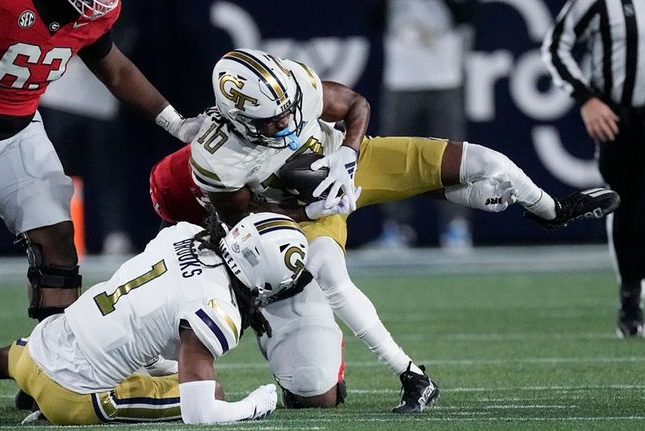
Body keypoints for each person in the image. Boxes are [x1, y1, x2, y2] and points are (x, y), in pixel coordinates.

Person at [184, 48, 619, 412]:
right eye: (273, 122)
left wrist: (349, 155)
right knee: (327, 294)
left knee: (489, 163)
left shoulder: (295, 86)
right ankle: (411, 374)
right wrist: (309, 206)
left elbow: (356, 105)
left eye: (288, 112)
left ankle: (551, 211)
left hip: (348, 164)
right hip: (298, 215)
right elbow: (247, 221)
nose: (289, 123)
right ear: (238, 119)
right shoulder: (218, 158)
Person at [0, 0, 201, 422]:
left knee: (57, 249)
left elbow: (116, 69)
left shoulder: (93, 12)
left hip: (19, 124)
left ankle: (49, 372)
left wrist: (176, 124)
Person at [0, 211, 309, 425]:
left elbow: (151, 311)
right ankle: (52, 408)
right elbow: (200, 411)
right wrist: (256, 404)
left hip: (45, 345)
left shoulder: (184, 234)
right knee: (209, 385)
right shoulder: (218, 307)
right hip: (75, 396)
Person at [542, 0, 644, 338]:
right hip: (621, 119)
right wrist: (586, 99)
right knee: (625, 206)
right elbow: (556, 47)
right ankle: (630, 300)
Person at [374, 0, 477, 251]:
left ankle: (456, 227)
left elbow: (467, 13)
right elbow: (373, 18)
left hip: (444, 75)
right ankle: (396, 228)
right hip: (401, 77)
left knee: (451, 157)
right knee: (394, 156)